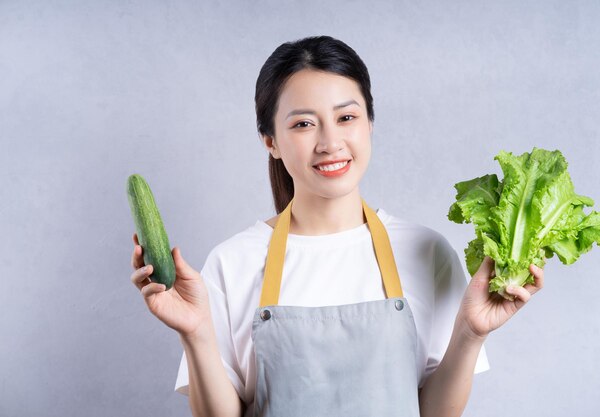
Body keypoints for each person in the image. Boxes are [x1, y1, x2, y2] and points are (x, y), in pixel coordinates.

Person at [130, 35, 543, 417]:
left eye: (346, 117)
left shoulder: (426, 251)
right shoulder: (231, 262)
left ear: (370, 124)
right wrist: (197, 333)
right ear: (270, 141)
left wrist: (470, 333)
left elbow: (434, 413)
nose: (330, 141)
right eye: (303, 123)